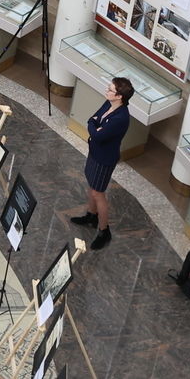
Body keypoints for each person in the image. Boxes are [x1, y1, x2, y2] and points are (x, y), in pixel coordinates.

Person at [71, 76, 133, 250]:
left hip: (104, 159)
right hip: (95, 152)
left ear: (119, 96)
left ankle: (104, 230)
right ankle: (91, 216)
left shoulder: (121, 117)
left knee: (98, 193)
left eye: (111, 89)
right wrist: (94, 126)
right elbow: (92, 120)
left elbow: (98, 135)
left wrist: (95, 128)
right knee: (92, 186)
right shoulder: (109, 104)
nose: (107, 90)